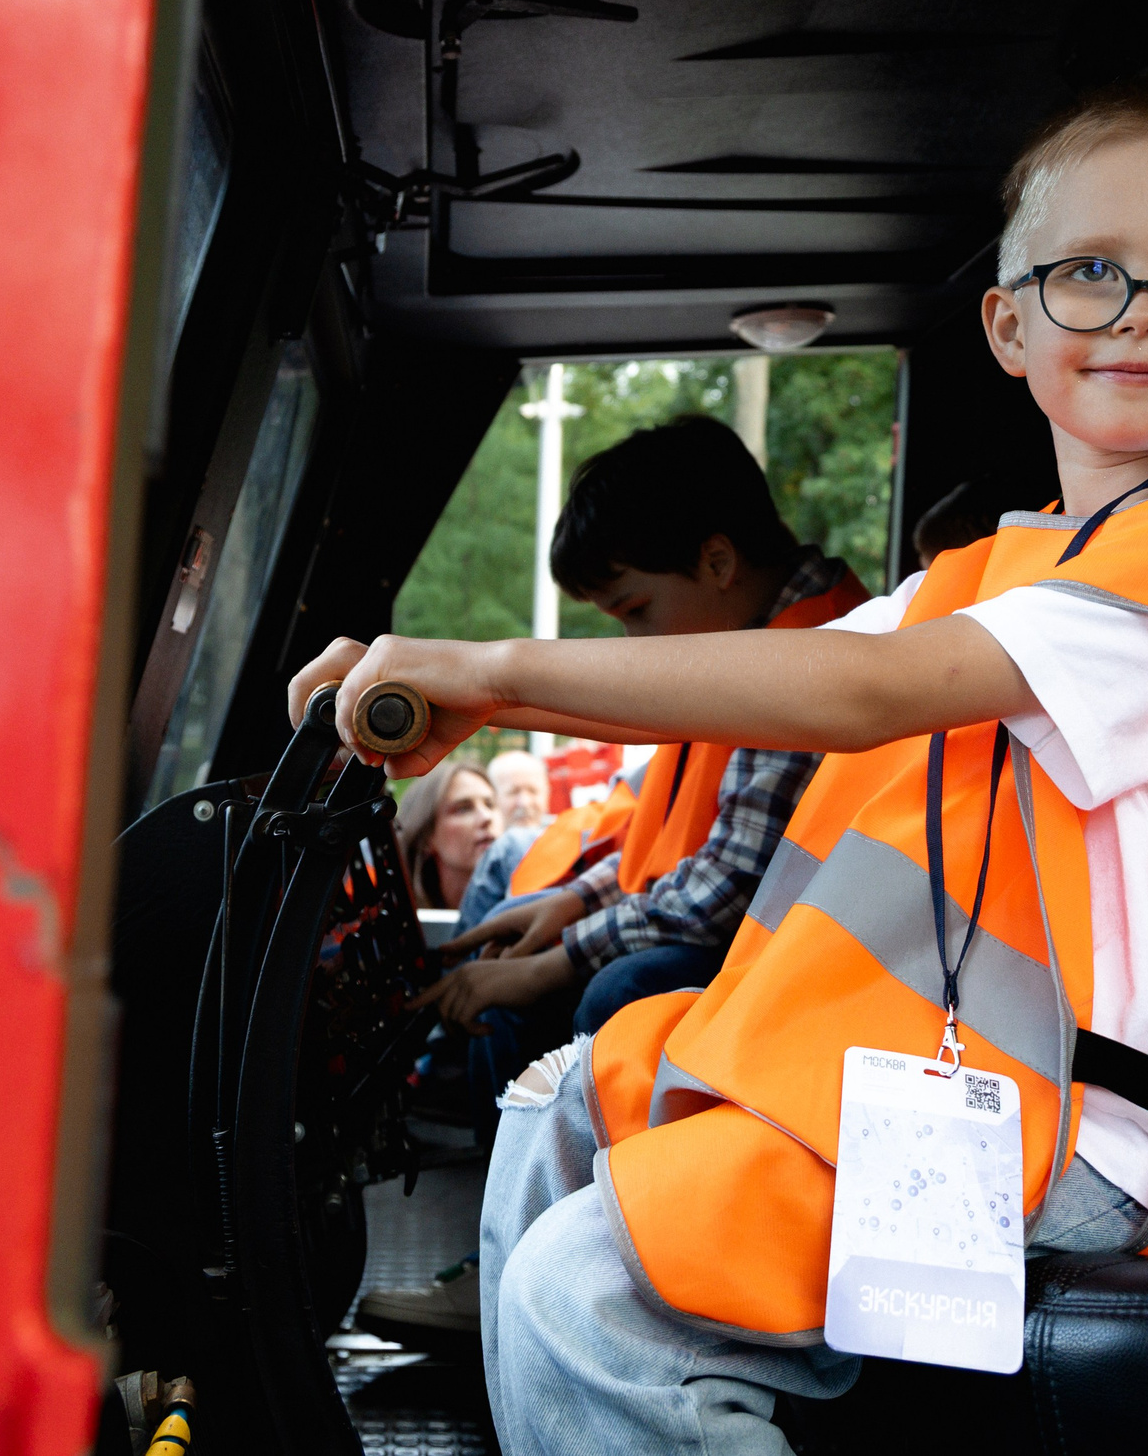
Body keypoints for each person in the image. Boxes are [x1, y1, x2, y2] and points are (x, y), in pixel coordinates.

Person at [296, 81, 1148, 1455]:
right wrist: (461, 690)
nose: (1143, 311)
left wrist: (490, 671)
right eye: (1090, 271)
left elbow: (857, 691)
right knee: (561, 1096)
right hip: (992, 1099)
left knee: (588, 1294)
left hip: (1119, 1151)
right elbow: (759, 681)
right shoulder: (1005, 569)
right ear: (1009, 325)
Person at [357, 419, 867, 1344]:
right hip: (741, 928)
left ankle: (583, 1281)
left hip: (803, 970)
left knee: (613, 990)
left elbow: (727, 885)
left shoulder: (812, 652)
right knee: (535, 945)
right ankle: (507, 1251)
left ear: (717, 562)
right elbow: (676, 834)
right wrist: (570, 903)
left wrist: (556, 963)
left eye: (634, 610)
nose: (631, 642)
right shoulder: (739, 643)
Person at [393, 758, 500, 912]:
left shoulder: (525, 905)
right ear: (426, 835)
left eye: (490, 805)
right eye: (463, 809)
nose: (486, 817)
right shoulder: (396, 914)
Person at [485, 749, 552, 833]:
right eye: (513, 792)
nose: (524, 803)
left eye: (533, 791)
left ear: (547, 795)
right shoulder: (478, 840)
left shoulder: (562, 836)